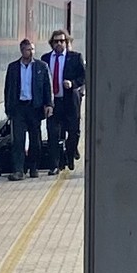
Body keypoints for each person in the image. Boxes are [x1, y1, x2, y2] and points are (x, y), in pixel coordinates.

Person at [2, 34, 54, 177]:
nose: (30, 52)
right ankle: (18, 170)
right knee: (18, 141)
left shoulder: (41, 66)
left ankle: (33, 168)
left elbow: (47, 87)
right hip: (19, 108)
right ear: (21, 51)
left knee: (35, 140)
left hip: (34, 108)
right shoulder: (13, 68)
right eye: (27, 50)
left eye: (32, 49)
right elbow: (8, 89)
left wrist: (49, 104)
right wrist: (8, 109)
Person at [46, 25, 85, 168]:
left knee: (73, 132)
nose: (59, 44)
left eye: (62, 41)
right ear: (52, 43)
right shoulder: (45, 59)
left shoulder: (75, 57)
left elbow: (84, 76)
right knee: (54, 134)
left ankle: (70, 155)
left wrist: (73, 83)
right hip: (54, 102)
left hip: (70, 101)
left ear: (66, 42)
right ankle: (56, 164)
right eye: (56, 41)